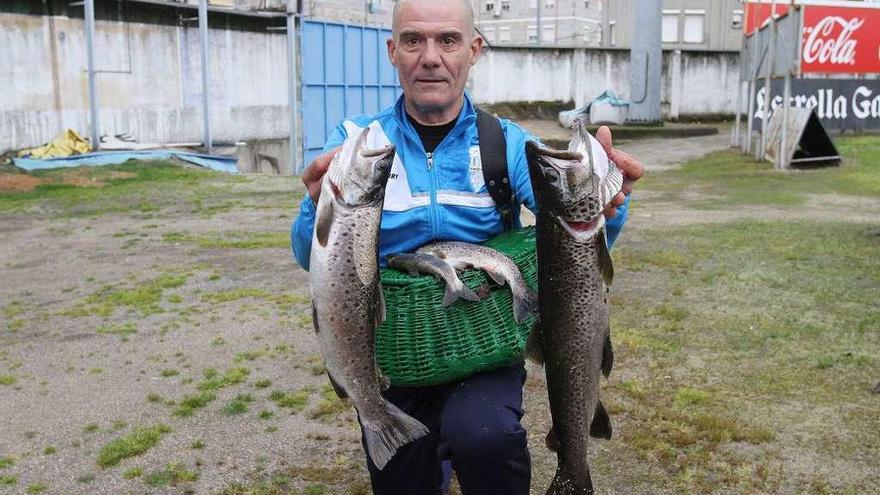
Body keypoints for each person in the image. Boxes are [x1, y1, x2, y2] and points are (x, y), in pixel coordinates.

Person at [291, 1, 644, 493]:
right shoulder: (357, 142)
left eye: (448, 40)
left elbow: (571, 243)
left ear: (474, 50)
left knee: (486, 437)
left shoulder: (504, 142)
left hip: (484, 344)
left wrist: (607, 202)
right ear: (393, 51)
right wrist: (314, 208)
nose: (430, 57)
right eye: (413, 40)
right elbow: (307, 253)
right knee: (404, 477)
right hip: (396, 352)